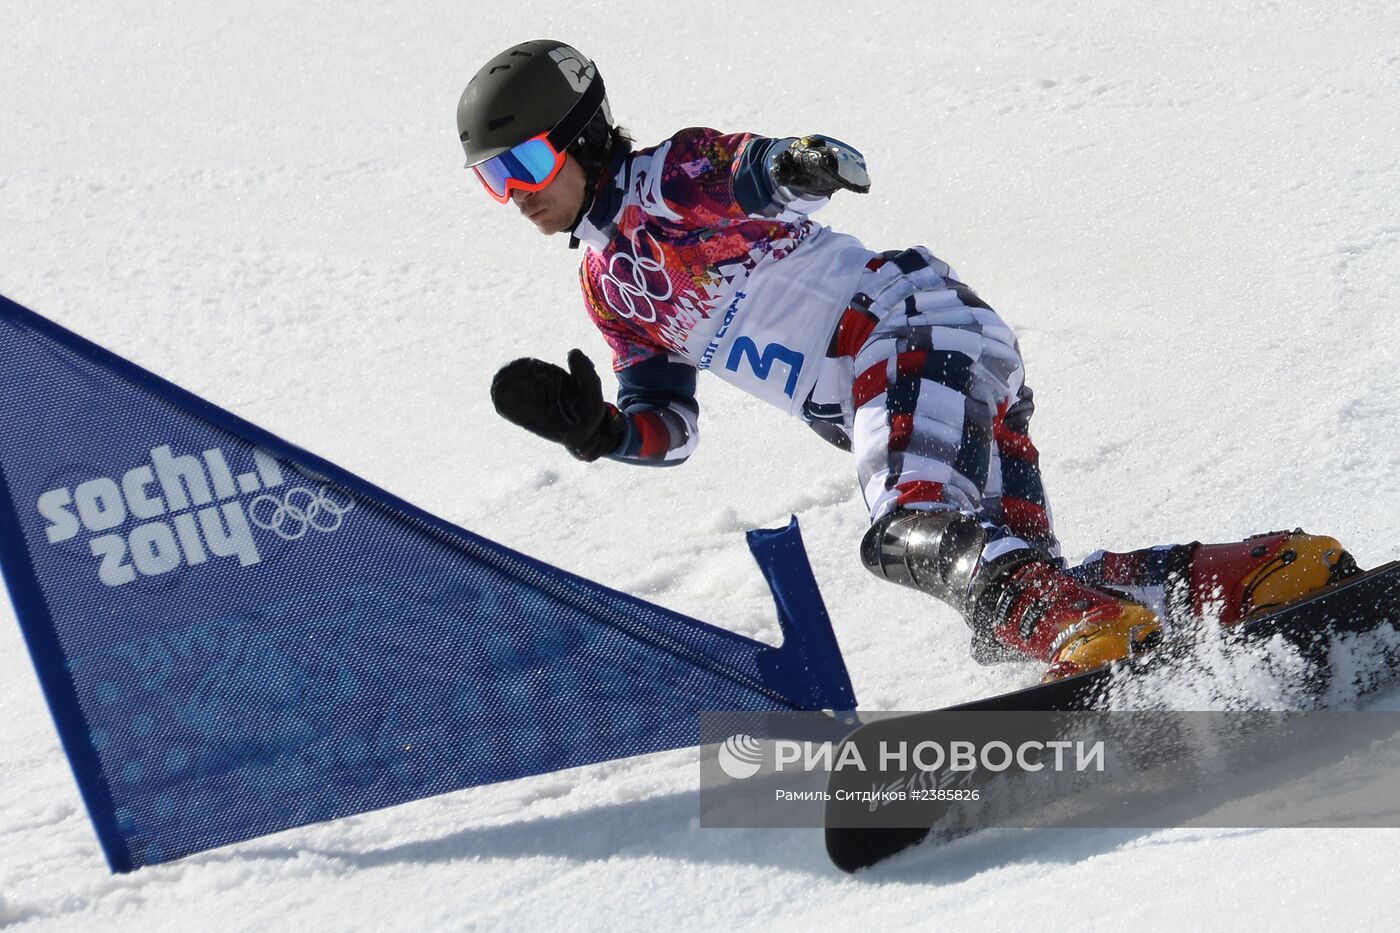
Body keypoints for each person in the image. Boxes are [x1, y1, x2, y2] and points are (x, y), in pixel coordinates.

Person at [460, 39, 1360, 683]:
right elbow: (674, 427)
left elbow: (750, 170)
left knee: (905, 530)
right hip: (926, 365)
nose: (519, 195)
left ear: (583, 133)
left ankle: (1098, 636)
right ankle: (1264, 572)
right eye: (495, 179)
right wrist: (602, 430)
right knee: (1008, 603)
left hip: (903, 334)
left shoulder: (669, 180)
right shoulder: (609, 287)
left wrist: (800, 163)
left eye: (528, 162)